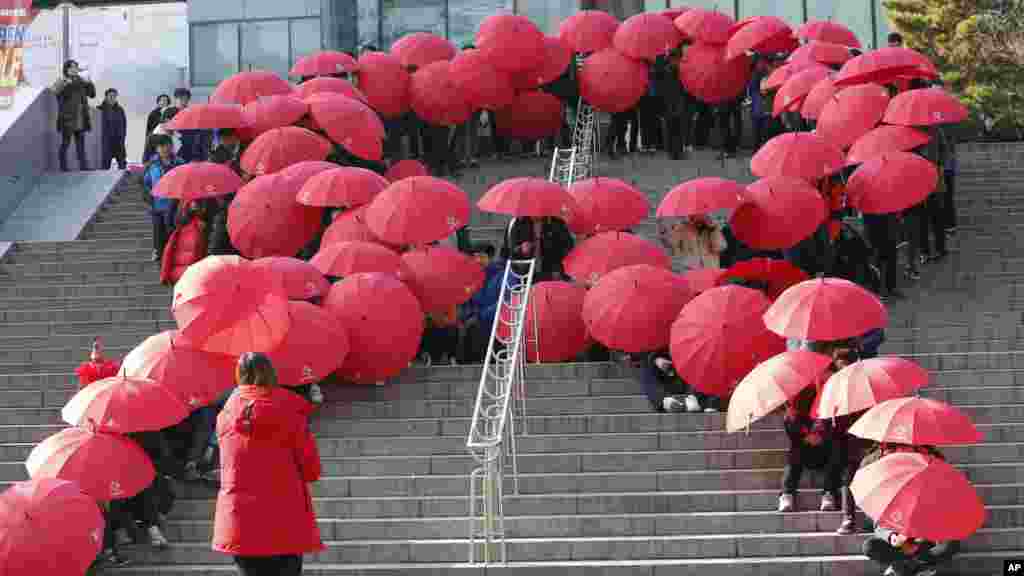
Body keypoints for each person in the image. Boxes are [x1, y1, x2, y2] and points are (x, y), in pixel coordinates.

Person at [213, 353, 323, 576]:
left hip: (239, 515)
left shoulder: (225, 415)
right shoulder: (289, 411)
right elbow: (310, 469)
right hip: (284, 513)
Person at [143, 134, 186, 262]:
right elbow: (145, 183)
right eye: (161, 146)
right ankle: (158, 253)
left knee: (171, 234)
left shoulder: (179, 163)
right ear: (156, 148)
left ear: (171, 146)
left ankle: (171, 257)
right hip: (157, 205)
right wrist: (149, 198)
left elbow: (185, 182)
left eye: (167, 145)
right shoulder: (152, 165)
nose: (164, 149)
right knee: (158, 233)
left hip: (174, 206)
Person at [459, 244, 502, 364]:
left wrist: (480, 315)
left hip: (494, 322)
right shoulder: (469, 278)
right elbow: (465, 303)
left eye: (482, 257)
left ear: (490, 258)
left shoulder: (500, 275)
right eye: (475, 257)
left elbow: (503, 302)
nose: (478, 260)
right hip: (474, 322)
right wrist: (468, 315)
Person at [52, 59, 96, 172]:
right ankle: (63, 168)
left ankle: (84, 167)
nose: (75, 69)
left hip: (81, 118)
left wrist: (89, 81)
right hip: (68, 119)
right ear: (66, 69)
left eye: (76, 67)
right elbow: (54, 91)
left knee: (81, 145)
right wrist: (66, 82)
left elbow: (92, 94)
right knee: (65, 144)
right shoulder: (62, 80)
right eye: (72, 67)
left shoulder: (81, 81)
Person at [502, 216, 574, 282]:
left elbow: (568, 249)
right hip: (524, 278)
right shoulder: (516, 223)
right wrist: (520, 249)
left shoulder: (557, 223)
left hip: (552, 276)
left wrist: (560, 270)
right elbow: (506, 253)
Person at [640, 349, 712, 413]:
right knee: (646, 366)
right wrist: (655, 359)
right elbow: (639, 354)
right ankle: (665, 401)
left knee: (698, 358)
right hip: (665, 377)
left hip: (687, 376)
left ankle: (693, 397)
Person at [160, 201, 209, 285]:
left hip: (179, 275)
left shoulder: (177, 232)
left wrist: (164, 275)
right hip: (192, 274)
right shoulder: (198, 230)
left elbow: (168, 253)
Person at [98, 88, 128, 170]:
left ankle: (122, 181)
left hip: (118, 140)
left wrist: (123, 137)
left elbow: (124, 125)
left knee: (122, 164)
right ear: (106, 97)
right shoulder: (100, 109)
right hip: (105, 141)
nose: (112, 97)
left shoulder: (120, 110)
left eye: (114, 96)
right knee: (105, 165)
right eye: (110, 96)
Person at [144, 94, 171, 161]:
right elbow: (149, 127)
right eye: (162, 100)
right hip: (155, 138)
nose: (164, 102)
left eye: (166, 101)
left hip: (167, 138)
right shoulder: (153, 113)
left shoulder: (171, 112)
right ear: (158, 102)